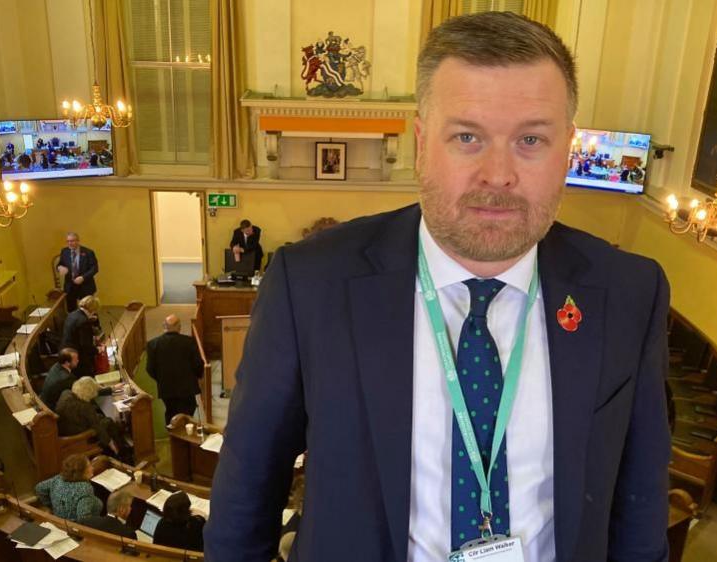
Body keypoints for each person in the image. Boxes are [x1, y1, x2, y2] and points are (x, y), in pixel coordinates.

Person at [205, 12, 670, 562]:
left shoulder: (628, 293)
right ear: (423, 142)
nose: (498, 175)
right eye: (467, 137)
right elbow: (246, 496)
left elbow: (639, 509)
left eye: (530, 139)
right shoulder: (310, 284)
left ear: (568, 147)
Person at [145, 314, 205, 425]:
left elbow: (150, 368)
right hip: (187, 389)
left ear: (164, 326)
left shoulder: (153, 344)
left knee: (170, 412)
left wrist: (161, 379)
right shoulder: (189, 342)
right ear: (179, 327)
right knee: (187, 414)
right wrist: (198, 376)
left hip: (166, 388)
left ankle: (173, 438)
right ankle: (186, 438)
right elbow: (198, 364)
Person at [55, 377, 127, 459]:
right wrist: (110, 443)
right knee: (108, 422)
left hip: (65, 429)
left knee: (100, 416)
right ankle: (121, 451)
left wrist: (111, 389)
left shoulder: (66, 393)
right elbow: (98, 428)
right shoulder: (85, 407)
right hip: (79, 437)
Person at [34, 453, 102, 520]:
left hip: (58, 519)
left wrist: (50, 505)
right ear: (81, 472)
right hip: (73, 527)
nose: (92, 468)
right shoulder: (85, 488)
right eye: (89, 466)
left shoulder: (58, 479)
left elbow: (39, 488)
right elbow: (83, 518)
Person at [58, 232, 99, 312]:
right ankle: (75, 324)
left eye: (72, 241)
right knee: (71, 310)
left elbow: (94, 268)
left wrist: (83, 278)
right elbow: (60, 264)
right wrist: (60, 267)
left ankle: (94, 324)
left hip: (85, 285)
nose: (70, 243)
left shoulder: (88, 252)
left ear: (78, 241)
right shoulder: (64, 251)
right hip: (70, 286)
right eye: (68, 241)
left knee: (89, 310)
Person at [62, 295, 101, 378]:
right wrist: (97, 350)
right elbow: (85, 345)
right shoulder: (83, 322)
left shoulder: (72, 314)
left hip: (66, 352)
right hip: (78, 358)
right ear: (92, 309)